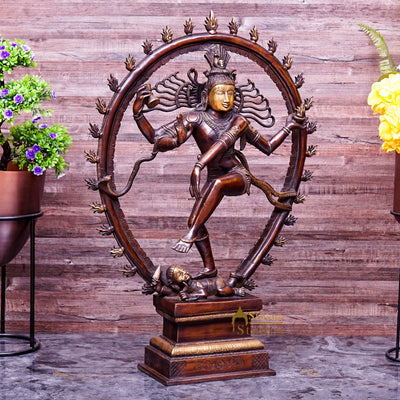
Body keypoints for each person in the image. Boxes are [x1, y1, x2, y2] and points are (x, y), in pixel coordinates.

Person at [132, 45, 305, 279]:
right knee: (195, 219)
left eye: (230, 94)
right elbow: (158, 139)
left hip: (236, 175)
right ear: (207, 94)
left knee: (216, 187)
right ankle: (209, 268)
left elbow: (266, 147)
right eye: (221, 93)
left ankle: (190, 235)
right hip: (213, 176)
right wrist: (138, 114)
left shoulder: (238, 121)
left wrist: (288, 126)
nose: (226, 99)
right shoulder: (194, 118)